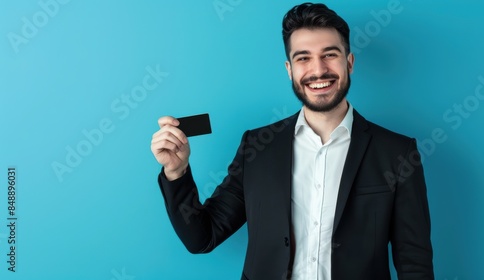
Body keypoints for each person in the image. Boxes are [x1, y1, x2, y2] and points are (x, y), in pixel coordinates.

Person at [151, 2, 434, 279]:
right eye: (303, 58)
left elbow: (415, 264)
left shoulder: (398, 153)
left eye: (330, 55)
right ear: (290, 69)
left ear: (349, 62)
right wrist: (176, 172)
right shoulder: (257, 147)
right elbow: (203, 237)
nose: (318, 70)